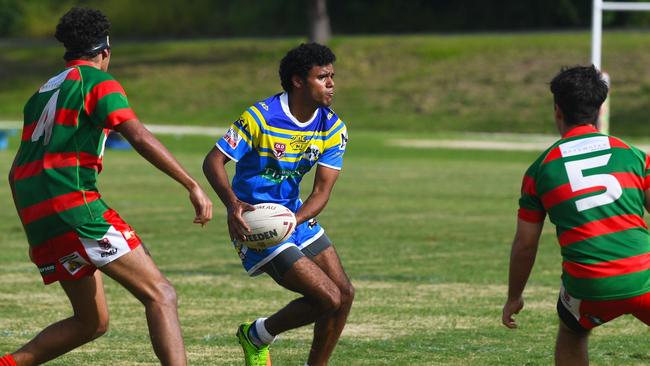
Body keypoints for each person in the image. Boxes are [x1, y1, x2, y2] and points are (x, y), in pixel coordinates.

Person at [1, 7, 212, 366]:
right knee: (161, 293)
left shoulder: (41, 92)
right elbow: (138, 135)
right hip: (76, 209)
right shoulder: (98, 82)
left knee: (91, 322)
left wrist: (38, 218)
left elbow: (15, 169)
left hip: (38, 217)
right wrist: (191, 183)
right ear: (105, 51)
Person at [203, 43, 354, 366]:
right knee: (327, 298)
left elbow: (321, 192)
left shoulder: (332, 127)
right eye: (322, 77)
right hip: (255, 222)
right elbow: (213, 161)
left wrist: (293, 220)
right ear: (298, 81)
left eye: (332, 76)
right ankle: (257, 335)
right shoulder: (260, 117)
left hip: (293, 216)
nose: (331, 84)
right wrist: (232, 204)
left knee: (345, 295)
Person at [502, 65, 650, 365]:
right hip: (643, 274)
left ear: (557, 110)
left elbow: (526, 244)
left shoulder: (540, 170)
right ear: (599, 108)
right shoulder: (633, 155)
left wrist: (513, 296)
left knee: (572, 333)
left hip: (590, 284)